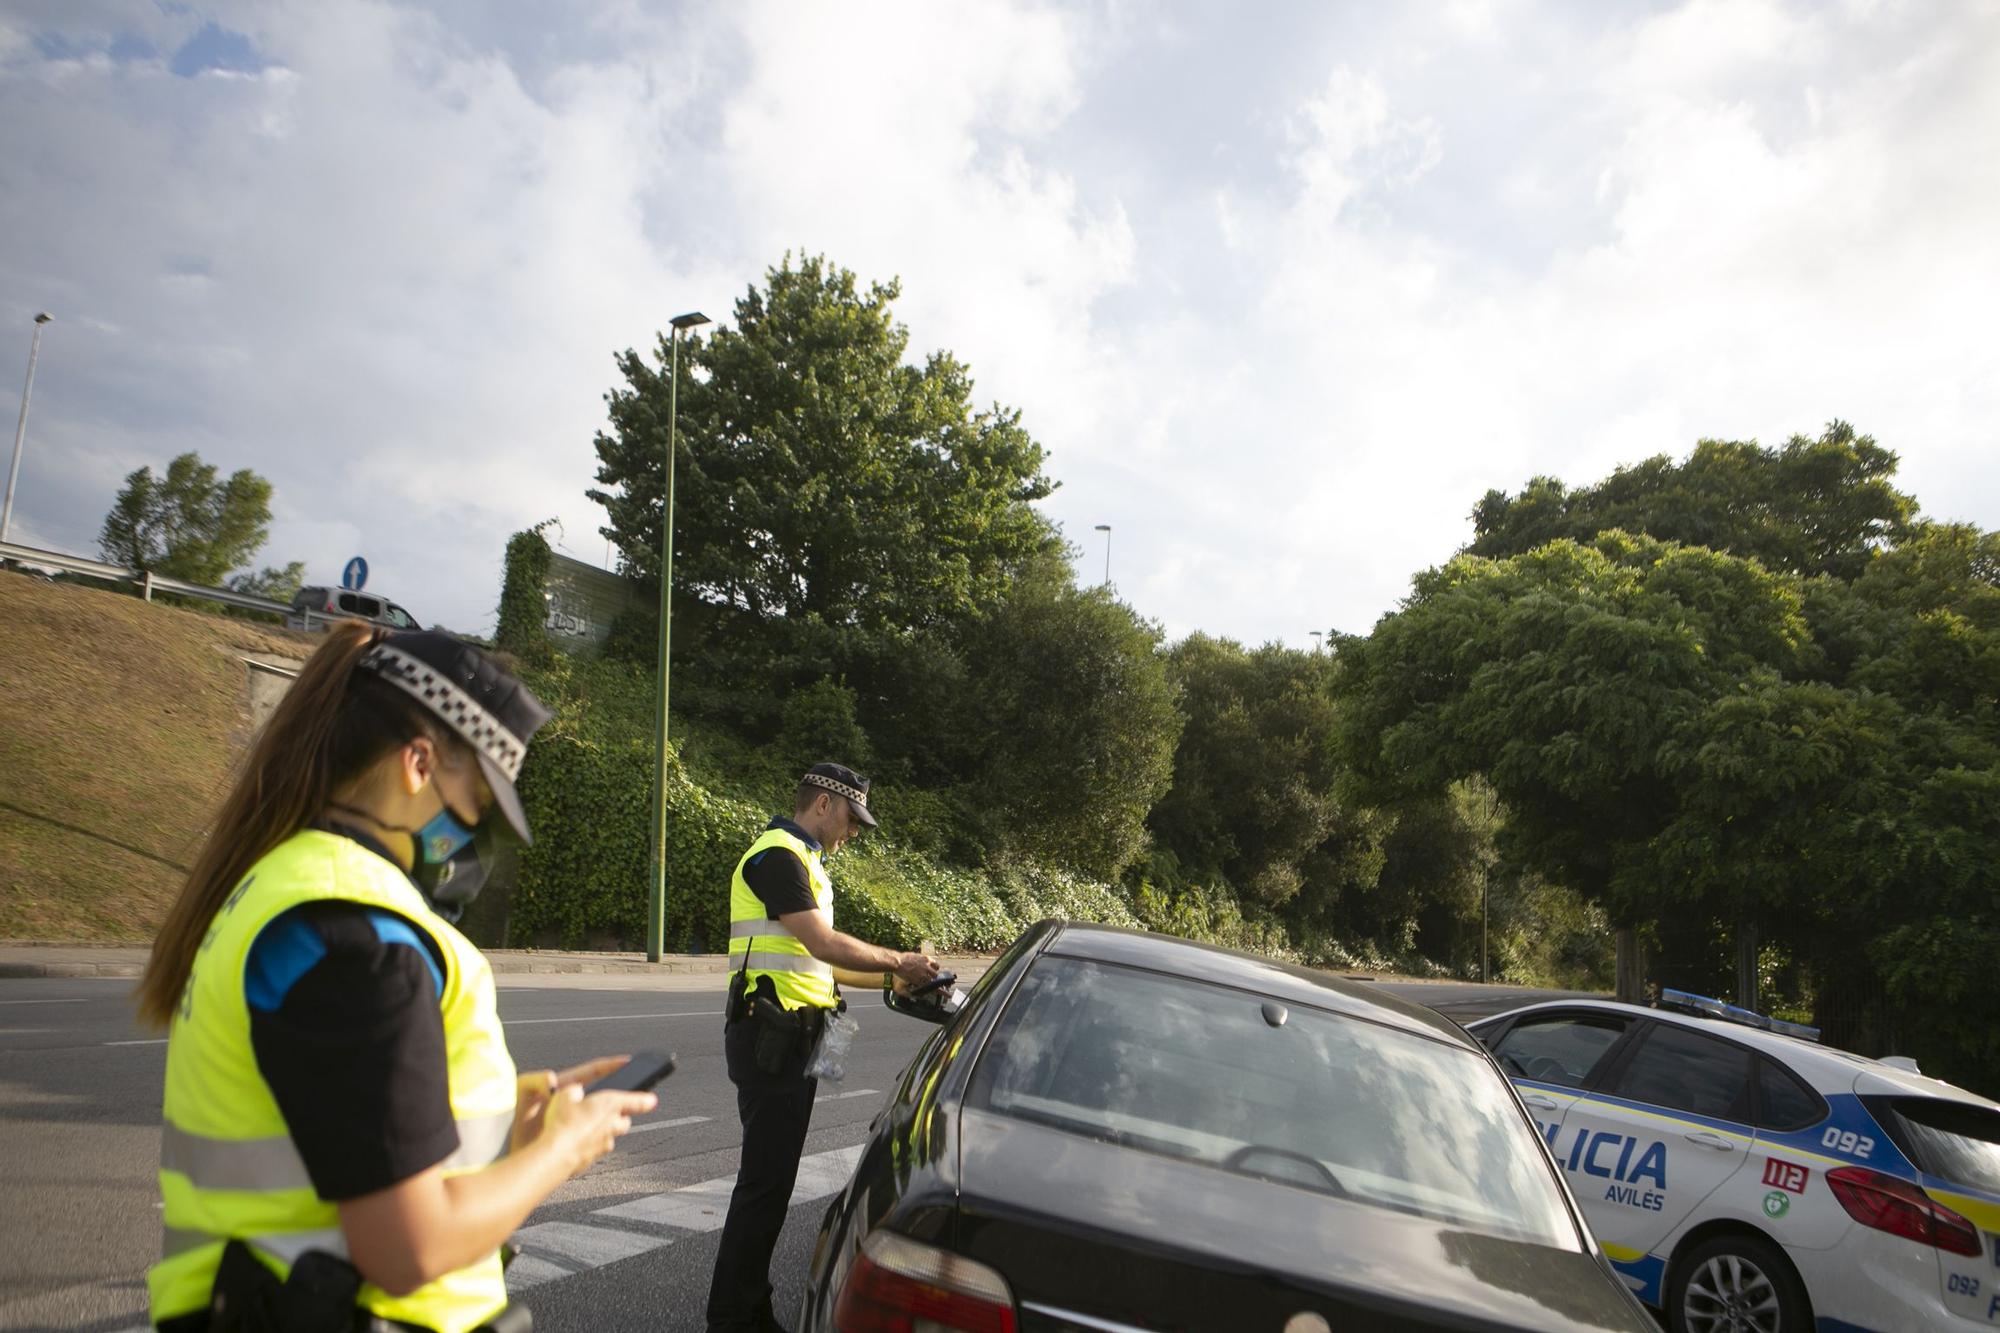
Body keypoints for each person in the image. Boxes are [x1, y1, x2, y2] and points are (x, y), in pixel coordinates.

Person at [135, 623, 657, 1333]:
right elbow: (411, 1247)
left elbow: (327, 1121)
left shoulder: (282, 886)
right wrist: (566, 1147)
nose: (477, 836)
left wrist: (499, 1122)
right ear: (418, 761)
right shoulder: (360, 937)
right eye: (478, 804)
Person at [705, 763, 939, 1333]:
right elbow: (823, 941)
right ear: (825, 805)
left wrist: (894, 981)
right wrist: (897, 960)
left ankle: (748, 1305)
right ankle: (733, 1318)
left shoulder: (807, 864)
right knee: (763, 1187)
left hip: (791, 1040)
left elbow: (821, 962)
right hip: (770, 1037)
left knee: (773, 1183)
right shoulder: (778, 855)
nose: (853, 832)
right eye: (852, 819)